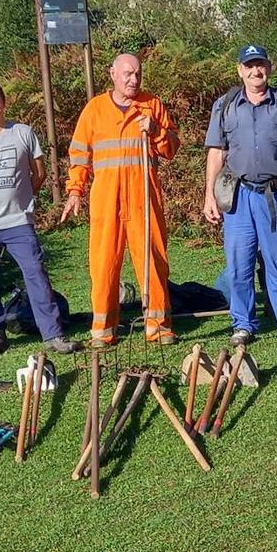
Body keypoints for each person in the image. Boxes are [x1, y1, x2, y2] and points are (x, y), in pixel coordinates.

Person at [202, 44, 277, 347]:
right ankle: (243, 324)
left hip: (275, 195)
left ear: (269, 67)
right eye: (249, 66)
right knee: (239, 264)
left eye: (261, 65)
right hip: (238, 198)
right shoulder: (225, 104)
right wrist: (209, 196)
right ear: (240, 70)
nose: (256, 71)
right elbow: (216, 153)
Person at [0, 80, 79, 359]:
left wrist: (22, 200)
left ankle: (53, 334)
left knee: (35, 272)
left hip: (18, 221)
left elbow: (40, 173)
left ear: (4, 103)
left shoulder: (23, 133)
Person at [60, 53, 180, 346]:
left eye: (137, 74)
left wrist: (156, 132)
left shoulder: (152, 105)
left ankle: (159, 327)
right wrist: (75, 191)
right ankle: (103, 330)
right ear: (112, 73)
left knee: (153, 260)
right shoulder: (94, 110)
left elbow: (173, 147)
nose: (133, 79)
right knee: (104, 263)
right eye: (127, 73)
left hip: (144, 197)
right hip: (107, 200)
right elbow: (79, 156)